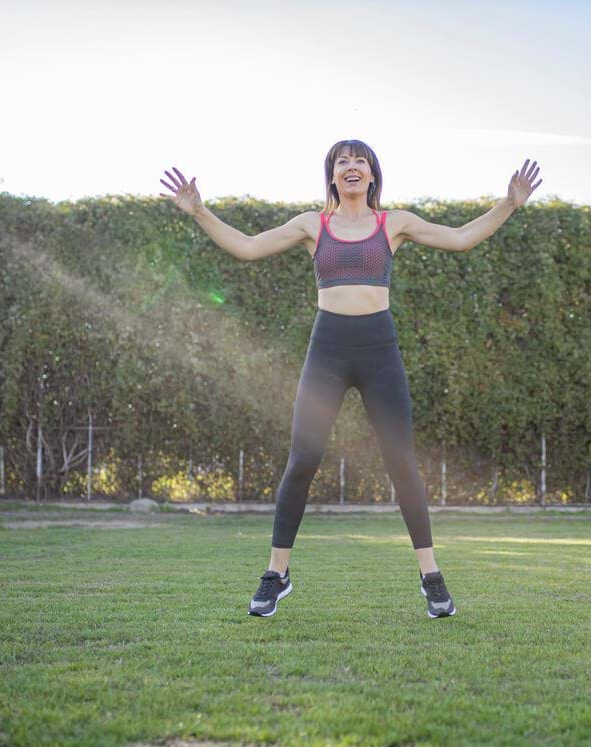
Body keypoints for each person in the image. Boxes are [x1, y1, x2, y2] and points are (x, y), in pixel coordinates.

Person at [160, 139, 541, 618]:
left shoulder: (394, 223)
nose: (352, 167)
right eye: (343, 161)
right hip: (329, 350)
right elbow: (248, 247)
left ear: (373, 174)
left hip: (379, 350)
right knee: (303, 459)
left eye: (360, 160)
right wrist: (198, 211)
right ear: (333, 176)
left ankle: (431, 577)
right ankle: (277, 575)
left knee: (402, 462)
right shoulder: (311, 225)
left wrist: (508, 204)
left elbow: (461, 238)